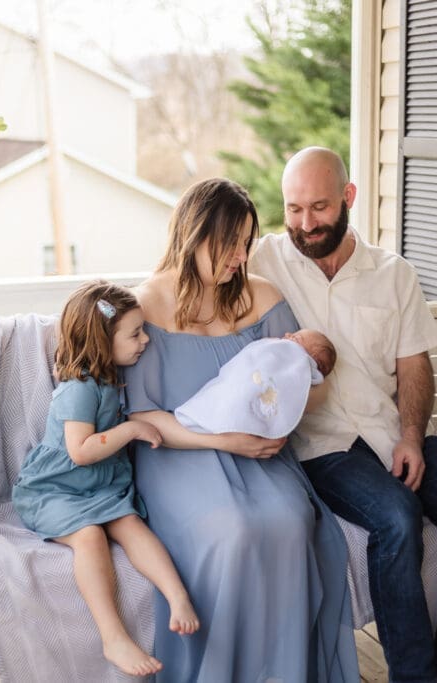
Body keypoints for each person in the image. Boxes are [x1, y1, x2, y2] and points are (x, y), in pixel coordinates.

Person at [250, 146, 437, 683]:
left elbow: (415, 365)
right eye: (294, 209)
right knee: (396, 518)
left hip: (392, 430)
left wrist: (413, 438)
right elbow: (193, 265)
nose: (305, 223)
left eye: (319, 207)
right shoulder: (263, 261)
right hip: (322, 447)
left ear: (348, 198)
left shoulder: (392, 273)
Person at [123, 178, 359, 682]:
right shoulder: (144, 306)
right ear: (194, 235)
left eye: (246, 243)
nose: (239, 256)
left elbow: (309, 383)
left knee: (292, 522)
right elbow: (141, 416)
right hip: (177, 455)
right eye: (230, 243)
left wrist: (279, 407)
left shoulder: (262, 297)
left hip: (261, 455)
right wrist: (222, 440)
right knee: (232, 531)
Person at [11, 280, 200, 678]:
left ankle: (177, 595)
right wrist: (130, 430)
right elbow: (80, 451)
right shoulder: (78, 389)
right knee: (91, 536)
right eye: (134, 334)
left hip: (99, 486)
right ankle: (113, 636)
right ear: (101, 340)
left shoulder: (111, 378)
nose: (145, 340)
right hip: (58, 489)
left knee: (130, 524)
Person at [174, 329, 337, 439]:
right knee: (234, 389)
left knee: (245, 397)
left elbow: (309, 380)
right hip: (241, 382)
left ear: (313, 357)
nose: (287, 334)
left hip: (256, 388)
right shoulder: (273, 346)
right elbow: (248, 362)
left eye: (296, 337)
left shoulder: (300, 362)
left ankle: (234, 420)